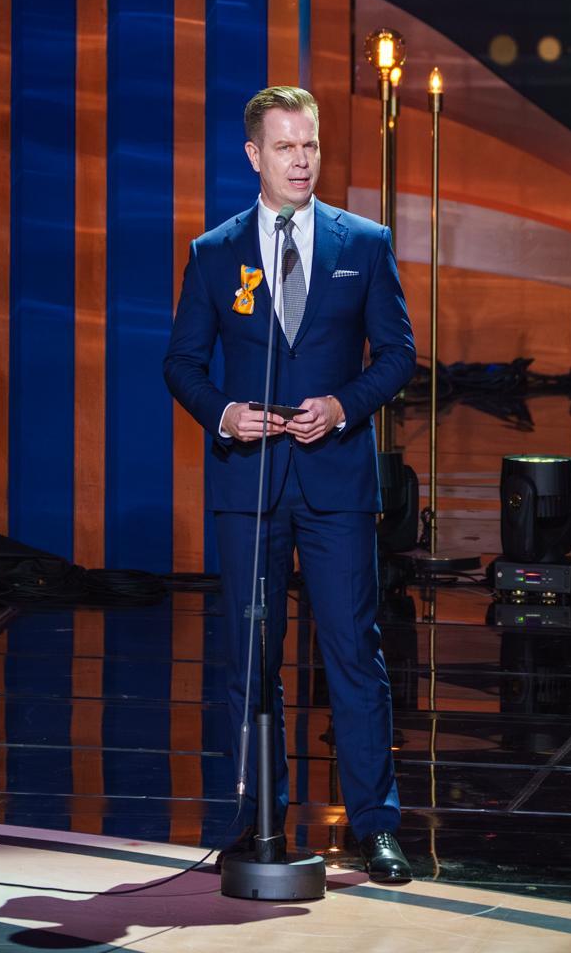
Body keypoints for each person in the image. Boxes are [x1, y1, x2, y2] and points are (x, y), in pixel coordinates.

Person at [163, 84, 416, 883]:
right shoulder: (214, 252)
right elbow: (182, 363)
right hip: (251, 485)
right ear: (254, 156)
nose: (301, 160)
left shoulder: (364, 242)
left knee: (353, 653)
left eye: (309, 145)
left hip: (338, 484)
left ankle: (375, 825)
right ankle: (256, 820)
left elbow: (398, 356)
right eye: (285, 147)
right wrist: (225, 413)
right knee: (251, 661)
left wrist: (343, 406)